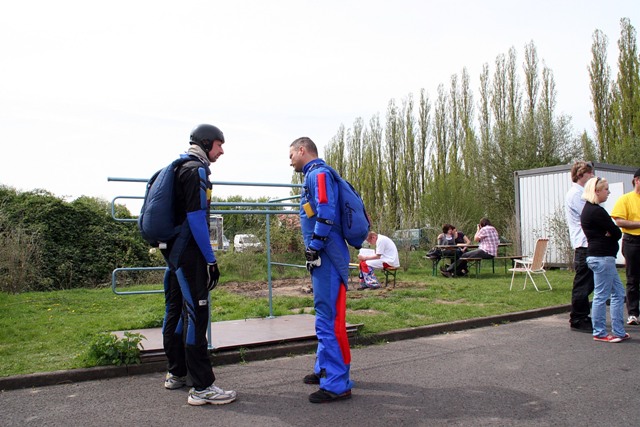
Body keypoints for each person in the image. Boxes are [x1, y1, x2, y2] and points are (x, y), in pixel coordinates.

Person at [161, 124, 237, 405]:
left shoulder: (179, 167)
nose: (222, 150)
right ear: (206, 143)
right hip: (189, 254)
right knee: (197, 314)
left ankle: (177, 373)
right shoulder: (196, 171)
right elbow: (196, 219)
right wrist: (210, 259)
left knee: (175, 311)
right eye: (219, 144)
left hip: (173, 253)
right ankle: (202, 388)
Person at [289, 136, 353, 403]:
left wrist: (314, 246)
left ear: (302, 150)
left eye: (291, 155)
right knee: (324, 315)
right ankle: (323, 368)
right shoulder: (313, 175)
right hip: (324, 257)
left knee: (330, 320)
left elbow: (325, 213)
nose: (290, 161)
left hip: (328, 257)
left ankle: (337, 384)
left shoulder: (319, 175)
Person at [580, 177, 629, 343]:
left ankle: (619, 331)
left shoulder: (590, 210)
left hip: (602, 257)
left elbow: (613, 232)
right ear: (596, 191)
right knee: (601, 296)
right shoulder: (596, 211)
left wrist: (610, 233)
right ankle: (600, 332)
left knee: (618, 293)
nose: (608, 192)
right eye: (606, 189)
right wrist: (609, 233)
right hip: (602, 258)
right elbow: (616, 232)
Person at [565, 161, 596, 332]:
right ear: (580, 175)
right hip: (584, 243)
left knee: (589, 283)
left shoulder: (582, 193)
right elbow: (589, 216)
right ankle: (578, 318)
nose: (592, 176)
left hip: (588, 243)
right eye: (589, 173)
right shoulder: (576, 194)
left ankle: (583, 315)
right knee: (583, 283)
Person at [611, 168, 640, 326]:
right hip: (632, 241)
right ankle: (633, 313)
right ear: (637, 180)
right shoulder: (626, 199)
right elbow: (619, 221)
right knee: (633, 278)